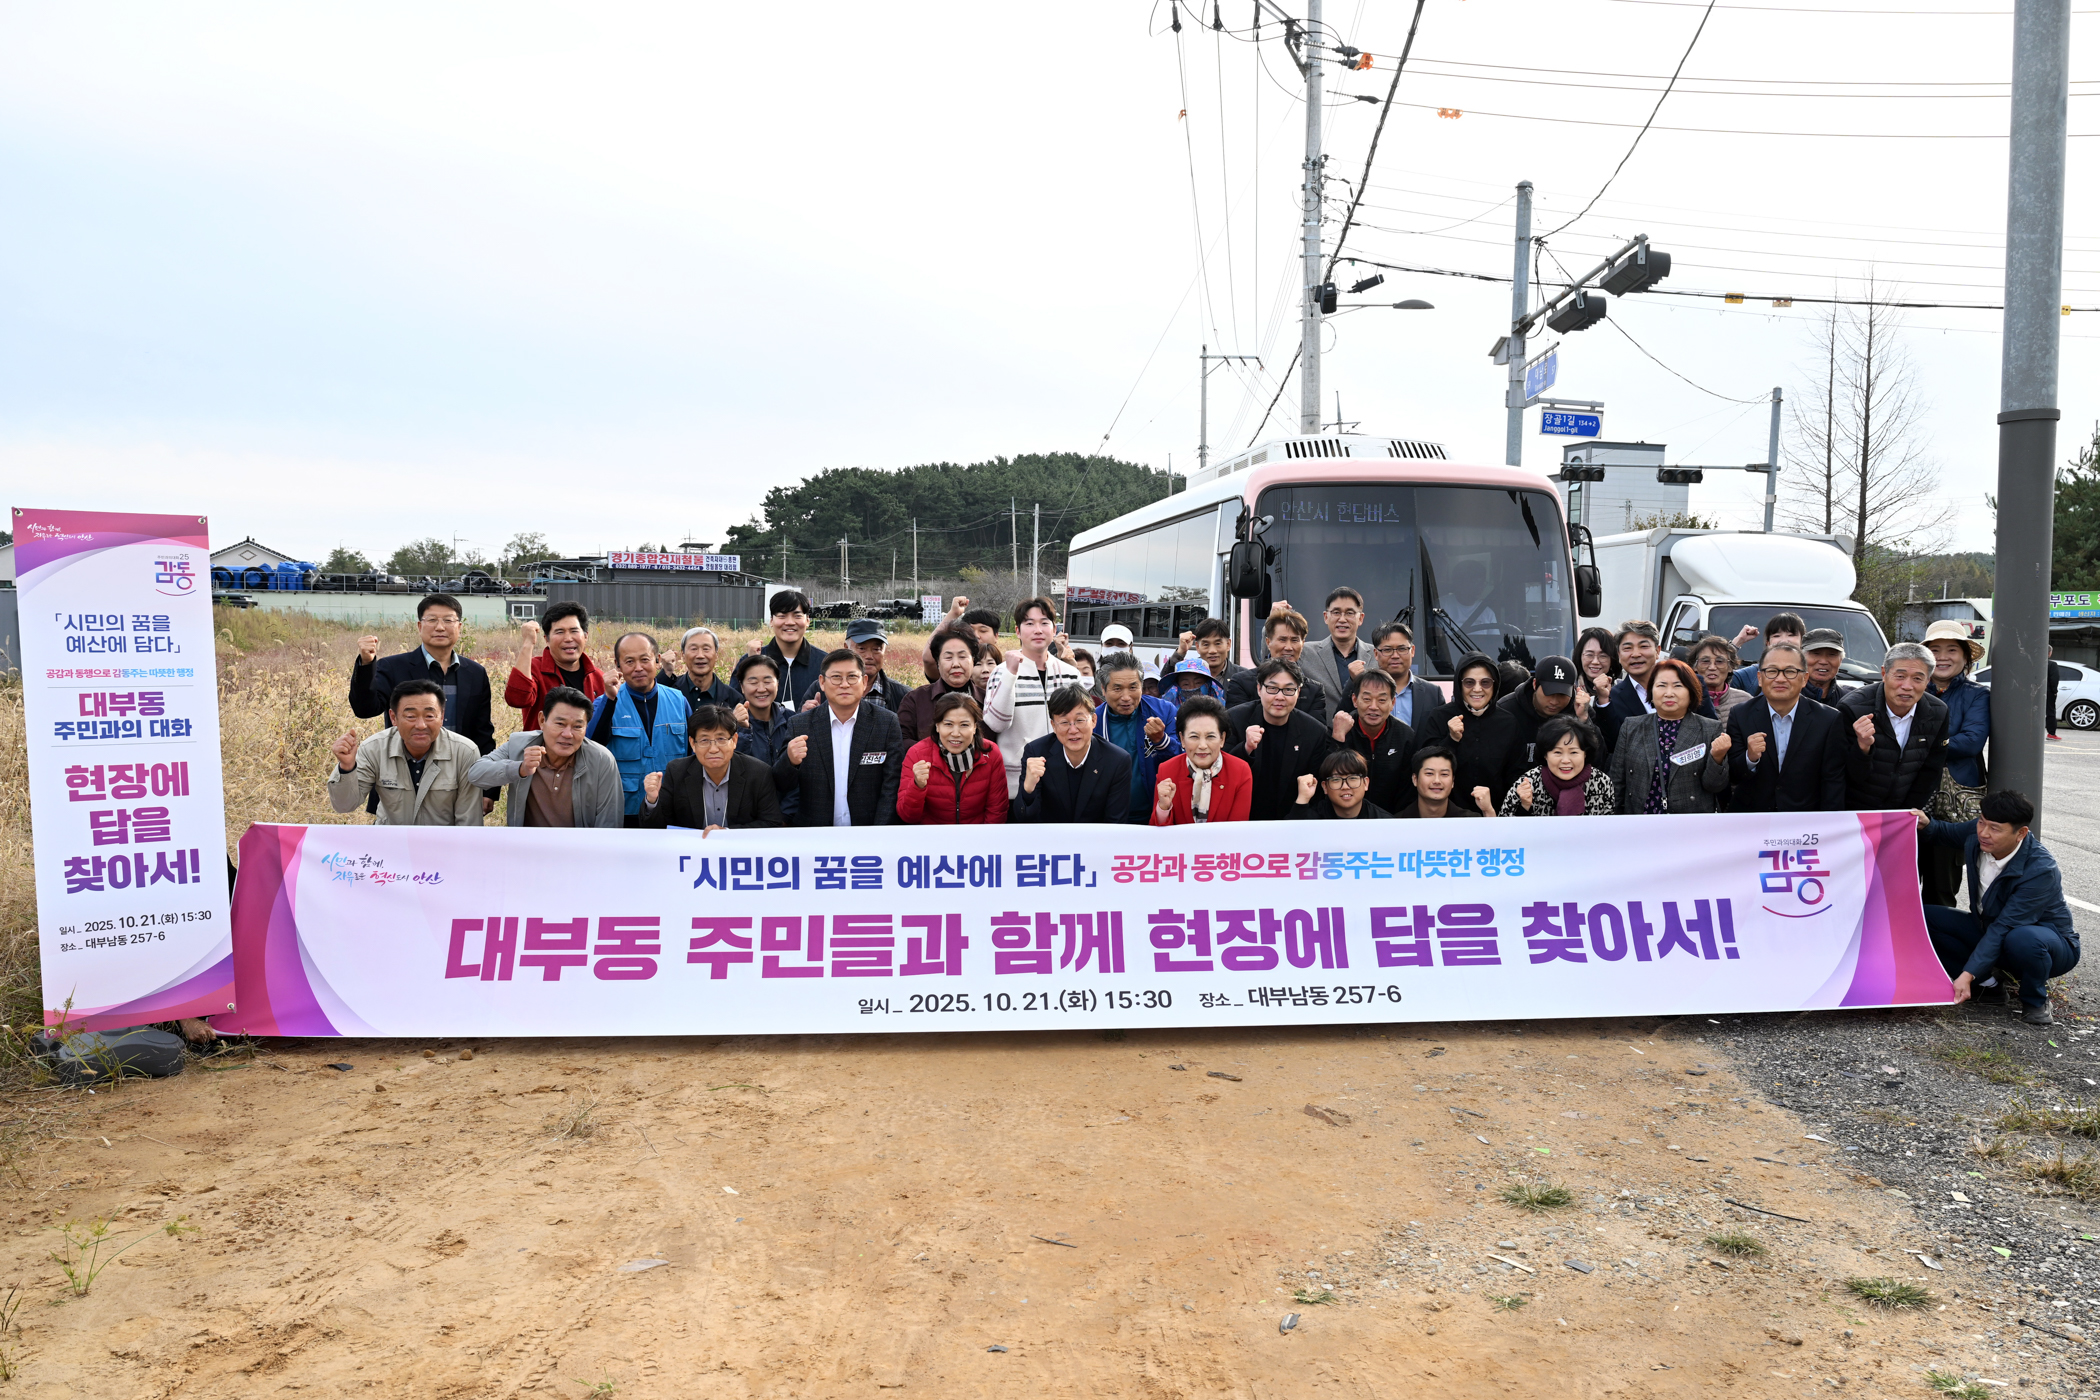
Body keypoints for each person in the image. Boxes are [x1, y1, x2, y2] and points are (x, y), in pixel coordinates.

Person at [1916, 791, 2078, 1026]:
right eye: (1981, 822)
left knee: (2024, 938)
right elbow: (1945, 833)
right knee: (1922, 917)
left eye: (1995, 828)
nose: (1983, 832)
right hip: (1991, 930)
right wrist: (1924, 823)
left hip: (2049, 944)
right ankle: (1987, 986)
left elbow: (2006, 925)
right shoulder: (1979, 832)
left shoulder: (2041, 868)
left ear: (2021, 833)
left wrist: (1966, 973)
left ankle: (2035, 999)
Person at [349, 592, 496, 757]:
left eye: (448, 620)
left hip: (460, 767)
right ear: (419, 626)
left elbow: (482, 731)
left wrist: (487, 777)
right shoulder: (393, 667)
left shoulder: (475, 673)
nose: (440, 627)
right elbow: (365, 709)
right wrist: (367, 663)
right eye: (432, 620)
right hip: (405, 764)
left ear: (459, 627)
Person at [773, 648, 907, 827]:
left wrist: (878, 832)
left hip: (869, 833)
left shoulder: (886, 722)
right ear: (822, 682)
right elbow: (781, 784)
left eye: (852, 677)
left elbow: (892, 785)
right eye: (836, 677)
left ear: (864, 681)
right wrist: (790, 761)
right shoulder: (800, 725)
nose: (844, 684)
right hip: (815, 835)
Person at [327, 679, 486, 825]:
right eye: (410, 716)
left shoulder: (464, 752)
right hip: (391, 845)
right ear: (393, 717)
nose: (421, 725)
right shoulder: (374, 748)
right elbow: (344, 805)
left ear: (442, 716)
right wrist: (347, 767)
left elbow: (469, 822)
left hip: (441, 847)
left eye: (430, 716)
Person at [469, 685, 626, 828]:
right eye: (560, 724)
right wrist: (520, 768)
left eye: (578, 726)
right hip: (529, 850)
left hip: (579, 851)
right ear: (542, 720)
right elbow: (476, 774)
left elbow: (609, 822)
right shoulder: (519, 744)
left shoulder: (601, 760)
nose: (567, 734)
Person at [1723, 641, 1848, 812]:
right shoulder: (1741, 714)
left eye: (1790, 671)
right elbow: (1732, 775)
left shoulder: (1828, 719)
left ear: (1804, 679)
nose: (1780, 679)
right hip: (1753, 818)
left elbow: (1833, 781)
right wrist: (1750, 758)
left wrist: (1829, 826)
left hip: (1804, 821)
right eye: (1772, 671)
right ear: (1760, 678)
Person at [982, 596, 1083, 798]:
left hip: (1063, 780)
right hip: (1015, 782)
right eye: (1029, 623)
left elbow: (1080, 725)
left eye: (1044, 623)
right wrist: (1011, 674)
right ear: (1018, 631)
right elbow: (995, 724)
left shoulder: (1070, 674)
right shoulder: (1001, 672)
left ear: (1054, 630)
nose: (1038, 630)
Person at [588, 632, 691, 825]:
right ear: (618, 665)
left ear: (658, 660)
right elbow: (592, 747)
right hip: (625, 809)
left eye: (645, 660)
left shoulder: (679, 701)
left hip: (673, 805)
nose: (638, 668)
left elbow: (693, 752)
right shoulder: (604, 703)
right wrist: (610, 700)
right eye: (629, 662)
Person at [1923, 619, 1991, 907]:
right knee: (1899, 882)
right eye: (1935, 649)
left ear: (1965, 657)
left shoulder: (1978, 694)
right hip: (1910, 795)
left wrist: (1923, 744)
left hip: (1953, 805)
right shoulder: (1908, 688)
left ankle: (1939, 949)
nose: (1942, 657)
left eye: (1952, 650)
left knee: (1942, 887)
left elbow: (1972, 741)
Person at [1609, 657, 1732, 815]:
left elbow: (1715, 786)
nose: (1669, 693)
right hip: (1640, 821)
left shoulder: (1709, 728)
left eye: (1677, 686)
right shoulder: (1631, 726)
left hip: (1690, 825)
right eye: (1661, 685)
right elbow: (1617, 782)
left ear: (1691, 691)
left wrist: (1717, 757)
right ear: (1651, 691)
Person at [1837, 641, 1949, 812]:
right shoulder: (1852, 708)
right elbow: (1844, 775)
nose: (1907, 686)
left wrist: (1906, 814)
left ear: (1928, 681)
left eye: (1918, 678)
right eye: (1900, 676)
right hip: (1854, 811)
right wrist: (1863, 748)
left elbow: (1931, 771)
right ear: (1884, 673)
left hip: (1904, 813)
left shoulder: (1938, 712)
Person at [639, 704, 785, 831]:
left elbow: (772, 823)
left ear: (734, 740)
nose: (713, 749)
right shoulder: (677, 771)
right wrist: (652, 800)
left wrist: (727, 833)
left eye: (721, 739)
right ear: (692, 744)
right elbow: (658, 829)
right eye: (704, 740)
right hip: (691, 856)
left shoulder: (758, 773)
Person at [1225, 659, 1336, 821]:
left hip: (1291, 821)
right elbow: (1223, 774)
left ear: (1298, 692)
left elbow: (1316, 789)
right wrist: (1246, 748)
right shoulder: (1235, 719)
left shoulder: (1314, 731)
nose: (1280, 696)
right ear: (1259, 689)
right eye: (1272, 688)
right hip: (1242, 818)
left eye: (1289, 690)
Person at [1014, 683, 1133, 823]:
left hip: (1096, 841)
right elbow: (1023, 819)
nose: (1073, 730)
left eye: (1079, 720)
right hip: (1050, 840)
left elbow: (1115, 822)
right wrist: (1028, 789)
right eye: (1064, 722)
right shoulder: (1036, 753)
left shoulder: (1117, 761)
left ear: (1094, 720)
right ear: (1053, 726)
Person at [1426, 651, 1524, 814]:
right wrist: (1450, 740)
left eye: (1485, 682)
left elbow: (1516, 776)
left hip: (1494, 816)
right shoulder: (1439, 716)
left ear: (1495, 684)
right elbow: (1425, 768)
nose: (1477, 689)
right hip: (1445, 817)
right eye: (1469, 682)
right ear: (1459, 684)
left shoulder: (1508, 723)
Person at [897, 691, 1010, 825]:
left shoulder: (991, 753)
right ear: (937, 726)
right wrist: (917, 786)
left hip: (976, 837)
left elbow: (997, 811)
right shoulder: (917, 754)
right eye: (948, 724)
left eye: (964, 725)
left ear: (975, 727)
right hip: (933, 838)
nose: (956, 733)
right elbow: (907, 816)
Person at [1600, 619, 1715, 749]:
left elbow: (1711, 732)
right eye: (1627, 648)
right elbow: (1615, 745)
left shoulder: (1691, 682)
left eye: (1644, 646)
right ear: (1619, 655)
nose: (1636, 654)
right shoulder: (1613, 697)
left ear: (1658, 651)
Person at [1095, 651, 1180, 824]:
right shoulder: (1092, 722)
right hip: (1108, 818)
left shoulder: (1164, 711)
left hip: (1158, 814)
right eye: (1117, 688)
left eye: (1133, 687)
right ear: (1103, 689)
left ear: (1141, 685)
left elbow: (1182, 760)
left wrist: (1161, 741)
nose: (1126, 697)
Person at [504, 601, 608, 732]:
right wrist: (528, 643)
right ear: (546, 639)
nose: (568, 638)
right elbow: (516, 699)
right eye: (559, 632)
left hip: (586, 751)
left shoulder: (598, 677)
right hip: (542, 751)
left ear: (585, 636)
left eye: (574, 631)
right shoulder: (534, 669)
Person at [1149, 695, 1251, 825]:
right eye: (1194, 736)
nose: (1202, 745)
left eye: (1210, 736)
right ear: (1182, 739)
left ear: (1222, 739)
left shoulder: (1240, 771)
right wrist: (1163, 808)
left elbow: (1237, 829)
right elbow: (1159, 833)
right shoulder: (1167, 770)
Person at [1226, 608, 1332, 727]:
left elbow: (1315, 735)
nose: (1288, 647)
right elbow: (1234, 729)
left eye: (1295, 640)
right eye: (1282, 640)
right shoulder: (1242, 682)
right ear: (1268, 642)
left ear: (1303, 643)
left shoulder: (1314, 690)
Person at [1329, 667, 1415, 813]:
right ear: (1355, 700)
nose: (1373, 707)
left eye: (1382, 700)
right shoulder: (1341, 730)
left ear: (1392, 703)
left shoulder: (1405, 735)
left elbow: (1407, 790)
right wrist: (1337, 739)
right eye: (1367, 699)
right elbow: (1328, 777)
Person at [1501, 715, 1615, 816]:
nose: (1565, 760)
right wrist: (1524, 807)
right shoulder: (1528, 783)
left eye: (1573, 752)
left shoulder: (1601, 782)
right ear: (1545, 754)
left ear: (1585, 754)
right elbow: (1506, 830)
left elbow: (1608, 830)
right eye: (1557, 752)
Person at [1497, 655, 1591, 771]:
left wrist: (1584, 720)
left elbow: (1597, 760)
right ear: (1535, 684)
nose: (1554, 701)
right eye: (1549, 693)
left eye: (1562, 694)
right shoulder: (1506, 709)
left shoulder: (1580, 709)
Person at [897, 627, 983, 744]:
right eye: (948, 657)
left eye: (962, 657)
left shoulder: (988, 699)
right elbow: (901, 740)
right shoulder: (916, 700)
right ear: (937, 662)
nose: (956, 664)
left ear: (973, 660)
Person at [1366, 622, 1443, 737]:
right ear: (1376, 654)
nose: (1395, 655)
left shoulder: (1433, 693)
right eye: (1387, 650)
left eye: (1402, 649)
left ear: (1412, 651)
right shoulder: (1362, 690)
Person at [1302, 587, 1374, 700]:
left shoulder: (1377, 655)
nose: (1342, 619)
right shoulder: (1305, 652)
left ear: (1360, 618)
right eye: (1336, 612)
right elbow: (1274, 659)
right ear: (1326, 617)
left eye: (1349, 613)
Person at [759, 589, 823, 710]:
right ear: (771, 621)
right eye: (782, 616)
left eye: (797, 616)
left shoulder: (824, 663)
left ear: (808, 621)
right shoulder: (752, 660)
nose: (789, 622)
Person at [1289, 748, 1393, 821]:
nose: (1345, 787)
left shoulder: (1384, 822)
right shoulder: (1313, 818)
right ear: (1325, 787)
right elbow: (1287, 839)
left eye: (1352, 778)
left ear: (1366, 783)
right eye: (1336, 780)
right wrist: (1302, 799)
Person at [1396, 745, 1487, 819]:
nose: (1437, 781)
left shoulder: (1470, 821)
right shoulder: (1397, 823)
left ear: (1453, 781)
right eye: (1429, 773)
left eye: (1444, 774)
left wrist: (1488, 811)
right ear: (1415, 779)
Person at [1730, 612, 1807, 695]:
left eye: (1791, 635)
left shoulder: (1812, 673)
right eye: (1777, 636)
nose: (1784, 640)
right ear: (1768, 643)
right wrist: (1737, 643)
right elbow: (1719, 681)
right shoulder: (1750, 675)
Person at [845, 618, 911, 713]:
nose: (869, 656)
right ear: (846, 649)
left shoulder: (904, 696)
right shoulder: (823, 689)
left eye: (876, 649)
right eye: (862, 648)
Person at [665, 626, 739, 709]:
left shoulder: (734, 699)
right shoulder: (668, 691)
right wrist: (665, 673)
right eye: (694, 649)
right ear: (683, 655)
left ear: (716, 655)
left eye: (706, 649)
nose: (700, 655)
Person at [1689, 634, 1756, 725]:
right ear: (1695, 666)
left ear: (1730, 667)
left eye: (1719, 661)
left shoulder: (1746, 701)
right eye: (1705, 661)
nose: (1712, 667)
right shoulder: (1686, 701)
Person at [1575, 626, 1620, 711]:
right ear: (1579, 655)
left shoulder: (1621, 691)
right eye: (1589, 655)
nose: (1595, 661)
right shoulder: (1570, 689)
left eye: (1603, 656)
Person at [1801, 628, 1849, 705]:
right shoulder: (1787, 696)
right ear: (1801, 658)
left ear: (1840, 660)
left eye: (1832, 655)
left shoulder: (1851, 699)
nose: (1823, 662)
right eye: (1816, 653)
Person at [2047, 645, 2062, 740]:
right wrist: (2054, 691)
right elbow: (2054, 679)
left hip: (2032, 691)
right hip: (2048, 692)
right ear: (2049, 653)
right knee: (2050, 712)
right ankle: (2051, 734)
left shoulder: (2032, 663)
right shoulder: (2052, 664)